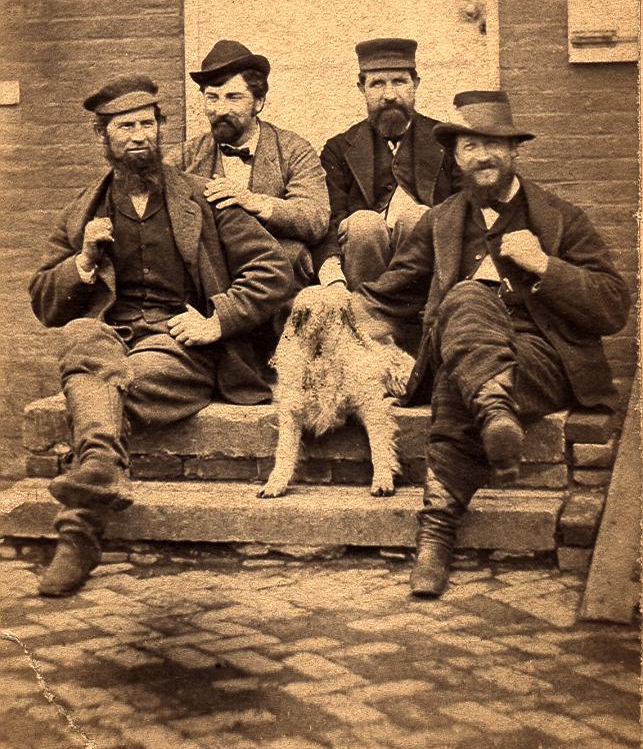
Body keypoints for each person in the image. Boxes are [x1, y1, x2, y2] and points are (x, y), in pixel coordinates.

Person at [352, 90, 630, 598]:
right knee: (464, 301)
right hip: (466, 347)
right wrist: (326, 312)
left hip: (540, 355)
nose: (482, 156)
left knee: (459, 386)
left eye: (494, 145)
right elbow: (389, 294)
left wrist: (548, 266)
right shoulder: (441, 221)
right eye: (470, 146)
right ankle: (494, 410)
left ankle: (435, 538)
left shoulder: (561, 219)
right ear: (455, 157)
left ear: (514, 152)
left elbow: (613, 307)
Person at [30, 75, 294, 597]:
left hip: (183, 349)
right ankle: (102, 467)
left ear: (161, 129)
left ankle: (79, 531)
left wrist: (218, 318)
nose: (137, 136)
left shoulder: (204, 198)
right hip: (114, 343)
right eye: (124, 126)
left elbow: (273, 269)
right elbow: (43, 300)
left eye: (147, 124)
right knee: (85, 334)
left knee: (106, 386)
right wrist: (82, 262)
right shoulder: (83, 212)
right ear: (102, 138)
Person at [166, 39, 330, 295]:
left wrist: (256, 202)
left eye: (233, 98)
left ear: (258, 102)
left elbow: (315, 217)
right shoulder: (185, 157)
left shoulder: (293, 149)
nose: (220, 110)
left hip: (278, 279)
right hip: (211, 280)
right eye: (212, 98)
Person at [315, 38, 457, 292]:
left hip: (428, 270)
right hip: (365, 266)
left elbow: (464, 209)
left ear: (415, 84)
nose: (389, 95)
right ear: (362, 88)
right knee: (363, 225)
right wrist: (331, 274)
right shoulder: (338, 149)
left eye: (399, 82)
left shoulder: (446, 141)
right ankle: (364, 314)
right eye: (377, 84)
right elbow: (330, 218)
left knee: (419, 217)